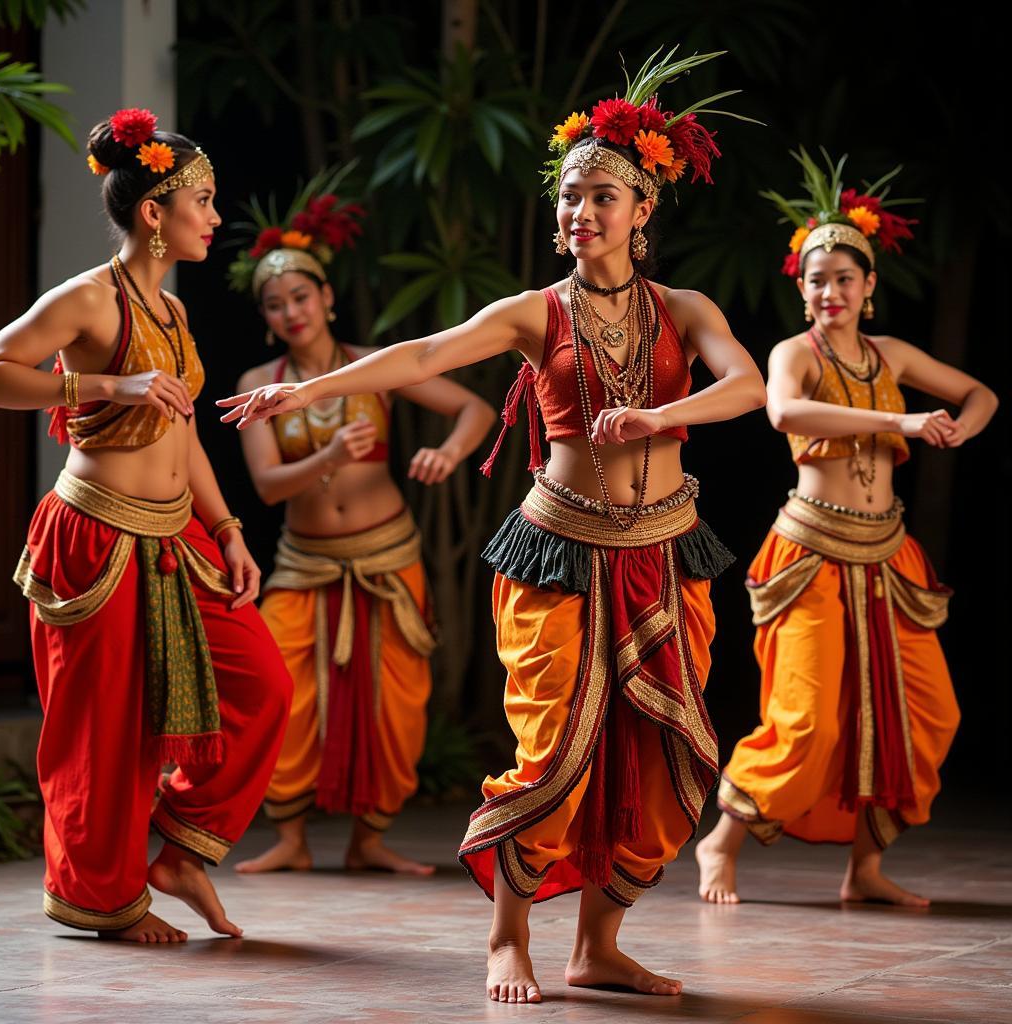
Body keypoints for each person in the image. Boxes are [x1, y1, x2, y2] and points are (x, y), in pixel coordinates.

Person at [218, 50, 765, 1003]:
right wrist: (310, 386)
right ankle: (506, 938)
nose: (578, 213)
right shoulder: (531, 313)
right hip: (559, 548)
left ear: (643, 212)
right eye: (568, 198)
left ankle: (599, 945)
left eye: (601, 196)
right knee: (554, 746)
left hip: (662, 550)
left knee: (647, 754)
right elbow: (421, 352)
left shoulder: (686, 309)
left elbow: (749, 386)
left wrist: (659, 419)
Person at [0, 108, 293, 943]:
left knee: (264, 686)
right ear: (153, 212)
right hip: (95, 534)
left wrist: (228, 526)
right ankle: (104, 900)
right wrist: (99, 389)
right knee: (106, 727)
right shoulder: (86, 299)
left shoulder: (174, 315)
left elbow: (182, 426)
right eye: (203, 199)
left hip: (177, 535)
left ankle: (182, 852)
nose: (216, 216)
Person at [696, 148, 998, 906]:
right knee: (806, 721)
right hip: (811, 549)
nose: (829, 290)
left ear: (868, 287)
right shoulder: (792, 353)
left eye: (843, 278)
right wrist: (899, 418)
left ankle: (864, 870)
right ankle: (720, 843)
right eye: (815, 279)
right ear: (800, 292)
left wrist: (961, 427)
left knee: (921, 715)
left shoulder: (889, 352)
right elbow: (783, 412)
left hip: (889, 554)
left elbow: (979, 393)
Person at [225, 185, 496, 875]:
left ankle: (369, 839)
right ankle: (288, 837)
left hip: (387, 553)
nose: (291, 312)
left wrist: (447, 452)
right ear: (265, 318)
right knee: (286, 692)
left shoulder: (372, 368)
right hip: (304, 559)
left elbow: (474, 410)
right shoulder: (260, 380)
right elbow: (265, 486)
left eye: (301, 297)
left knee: (395, 699)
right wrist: (328, 456)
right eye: (276, 304)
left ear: (327, 299)